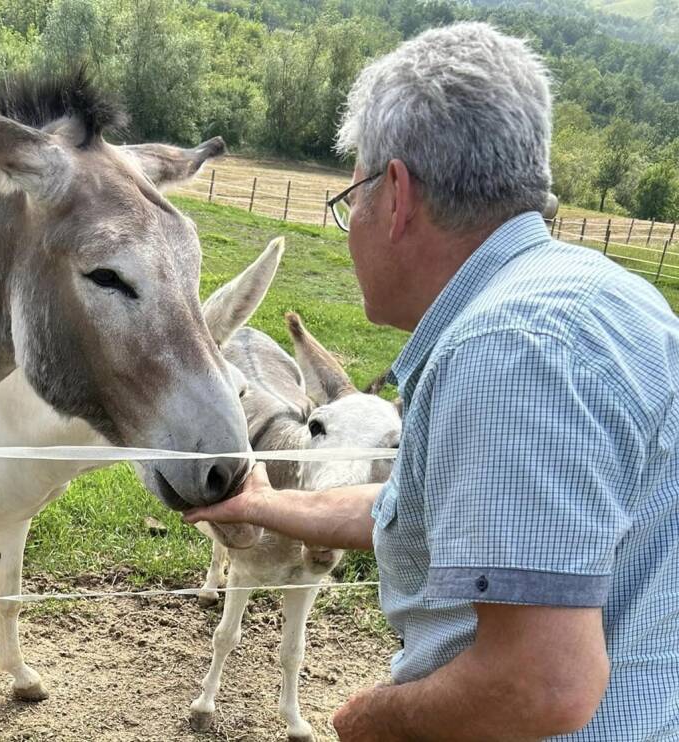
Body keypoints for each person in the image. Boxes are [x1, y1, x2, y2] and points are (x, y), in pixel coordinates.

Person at [185, 21, 679, 741]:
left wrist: (371, 720)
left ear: (396, 194)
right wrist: (269, 504)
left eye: (350, 194)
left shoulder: (507, 354)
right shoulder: (612, 298)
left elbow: (540, 685)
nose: (349, 222)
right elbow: (430, 508)